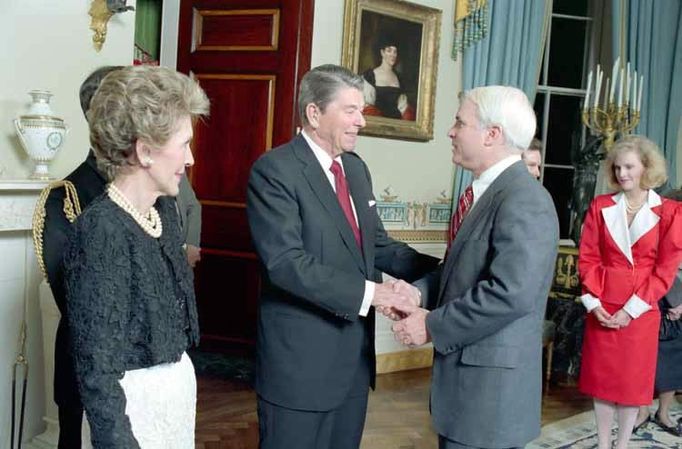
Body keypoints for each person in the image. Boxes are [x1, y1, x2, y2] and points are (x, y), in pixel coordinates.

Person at [246, 64, 439, 449]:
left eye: (361, 109)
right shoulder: (275, 171)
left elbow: (377, 245)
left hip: (353, 363)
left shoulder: (355, 168)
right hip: (299, 366)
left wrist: (446, 270)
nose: (360, 121)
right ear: (314, 113)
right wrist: (375, 294)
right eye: (350, 110)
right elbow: (286, 264)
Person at [38, 65, 203, 448]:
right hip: (131, 414)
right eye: (183, 144)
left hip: (173, 406)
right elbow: (98, 371)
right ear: (144, 151)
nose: (191, 159)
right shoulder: (101, 230)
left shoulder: (163, 212)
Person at [391, 85, 560, 449]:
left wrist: (431, 324)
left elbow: (510, 294)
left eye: (459, 122)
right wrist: (417, 291)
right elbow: (463, 271)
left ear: (492, 134)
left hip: (490, 398)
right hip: (470, 391)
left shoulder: (525, 198)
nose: (451, 131)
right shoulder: (486, 192)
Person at [577, 135, 682, 449]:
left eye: (629, 167)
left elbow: (665, 270)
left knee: (631, 383)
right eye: (617, 167)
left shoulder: (670, 212)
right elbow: (588, 257)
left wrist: (630, 310)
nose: (622, 173)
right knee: (602, 382)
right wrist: (593, 303)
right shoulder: (601, 206)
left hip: (641, 309)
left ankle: (621, 444)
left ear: (646, 168)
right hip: (603, 305)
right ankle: (604, 443)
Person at [633, 188, 682, 437]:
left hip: (679, 305)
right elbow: (658, 262)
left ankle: (664, 413)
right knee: (647, 359)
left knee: (673, 361)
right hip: (658, 298)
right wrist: (674, 301)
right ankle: (642, 411)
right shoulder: (669, 208)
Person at [362, 37, 415, 120]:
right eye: (389, 51)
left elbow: (403, 107)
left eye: (395, 51)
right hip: (377, 123)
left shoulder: (399, 78)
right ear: (382, 52)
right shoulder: (370, 75)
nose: (393, 55)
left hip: (397, 124)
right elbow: (367, 106)